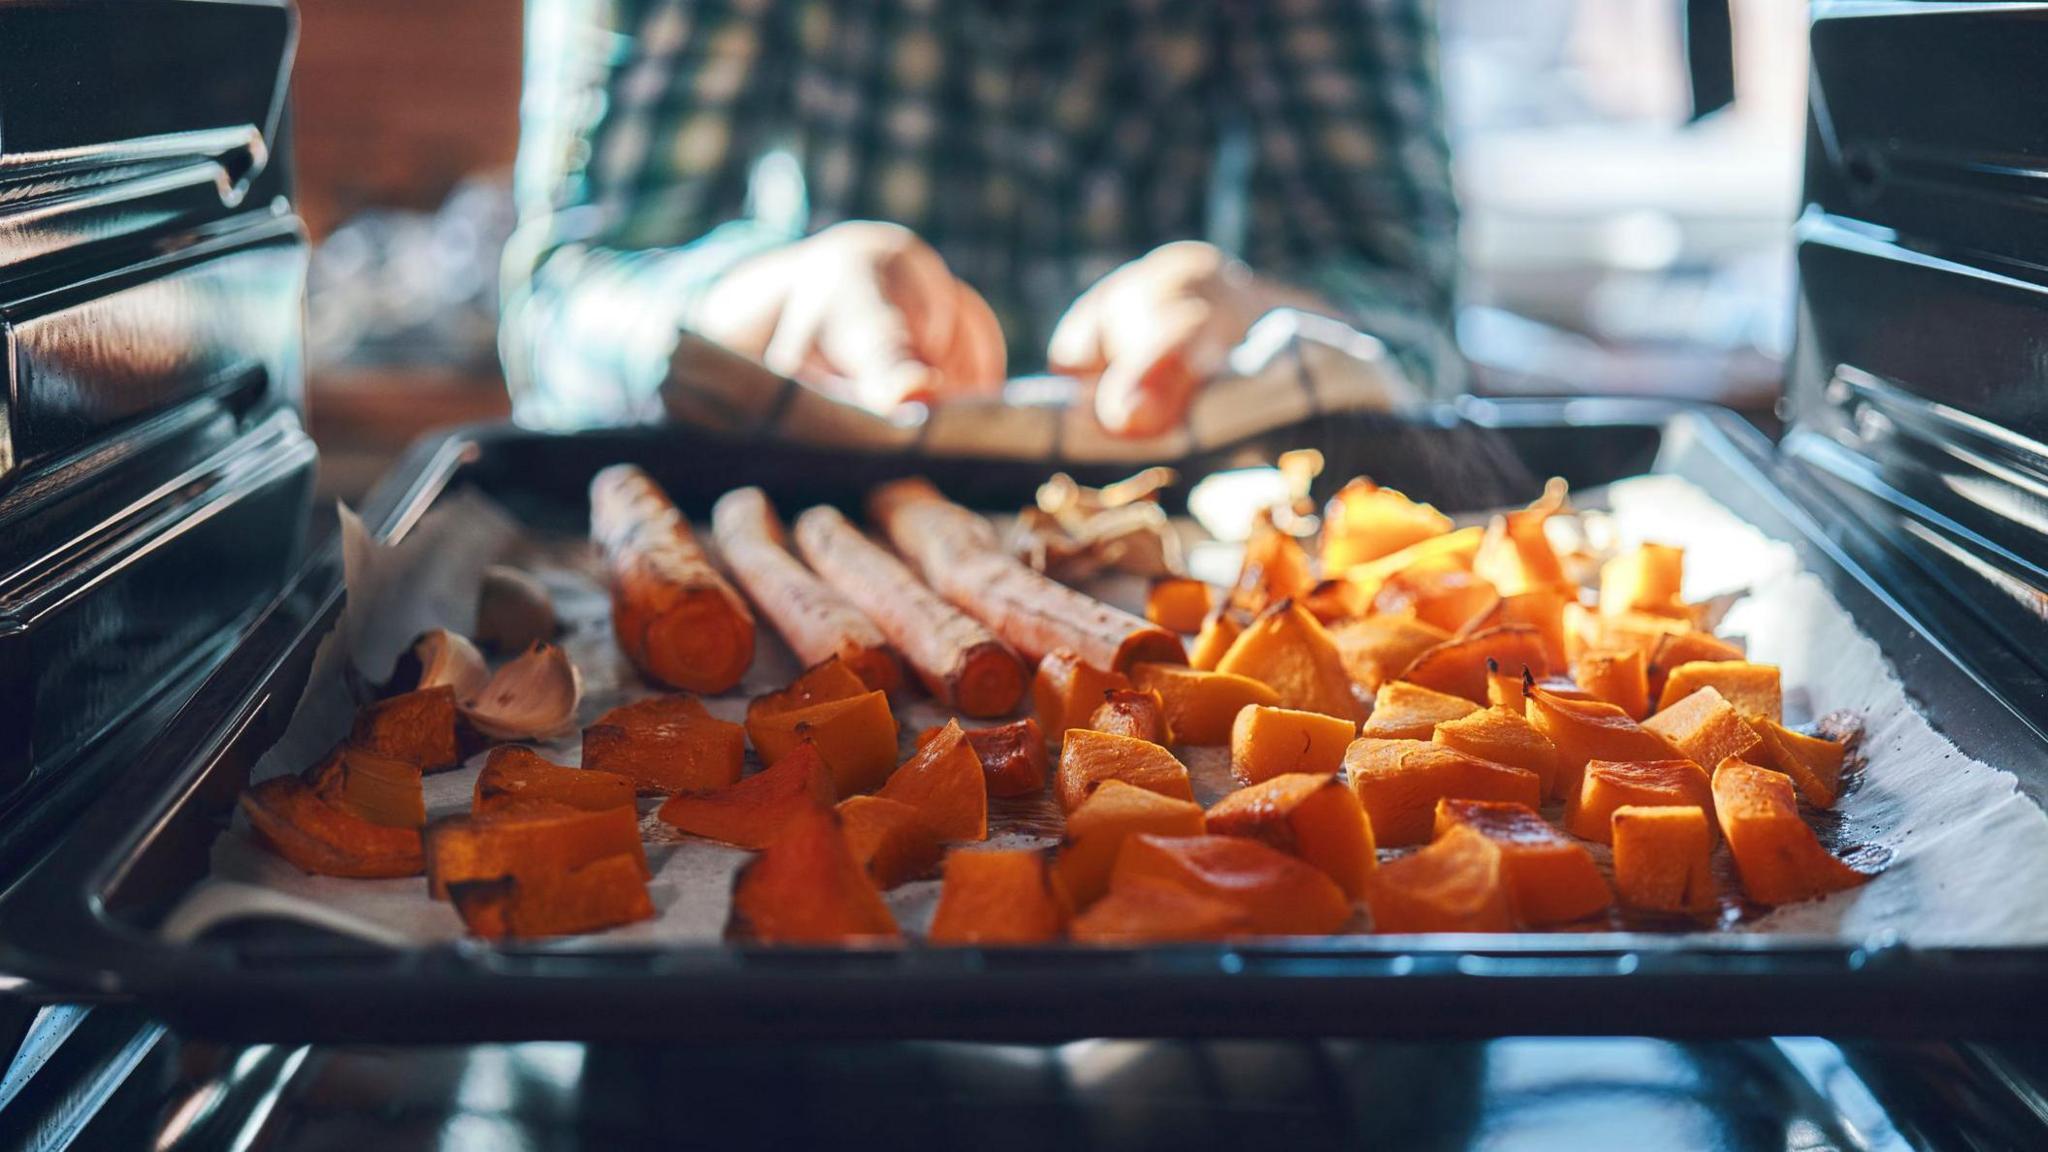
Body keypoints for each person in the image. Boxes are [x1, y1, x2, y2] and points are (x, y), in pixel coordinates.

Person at [502, 0, 1459, 440]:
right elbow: (567, 295)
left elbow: (1406, 308)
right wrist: (756, 304)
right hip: (796, 509)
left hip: (1198, 539)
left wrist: (1261, 313)